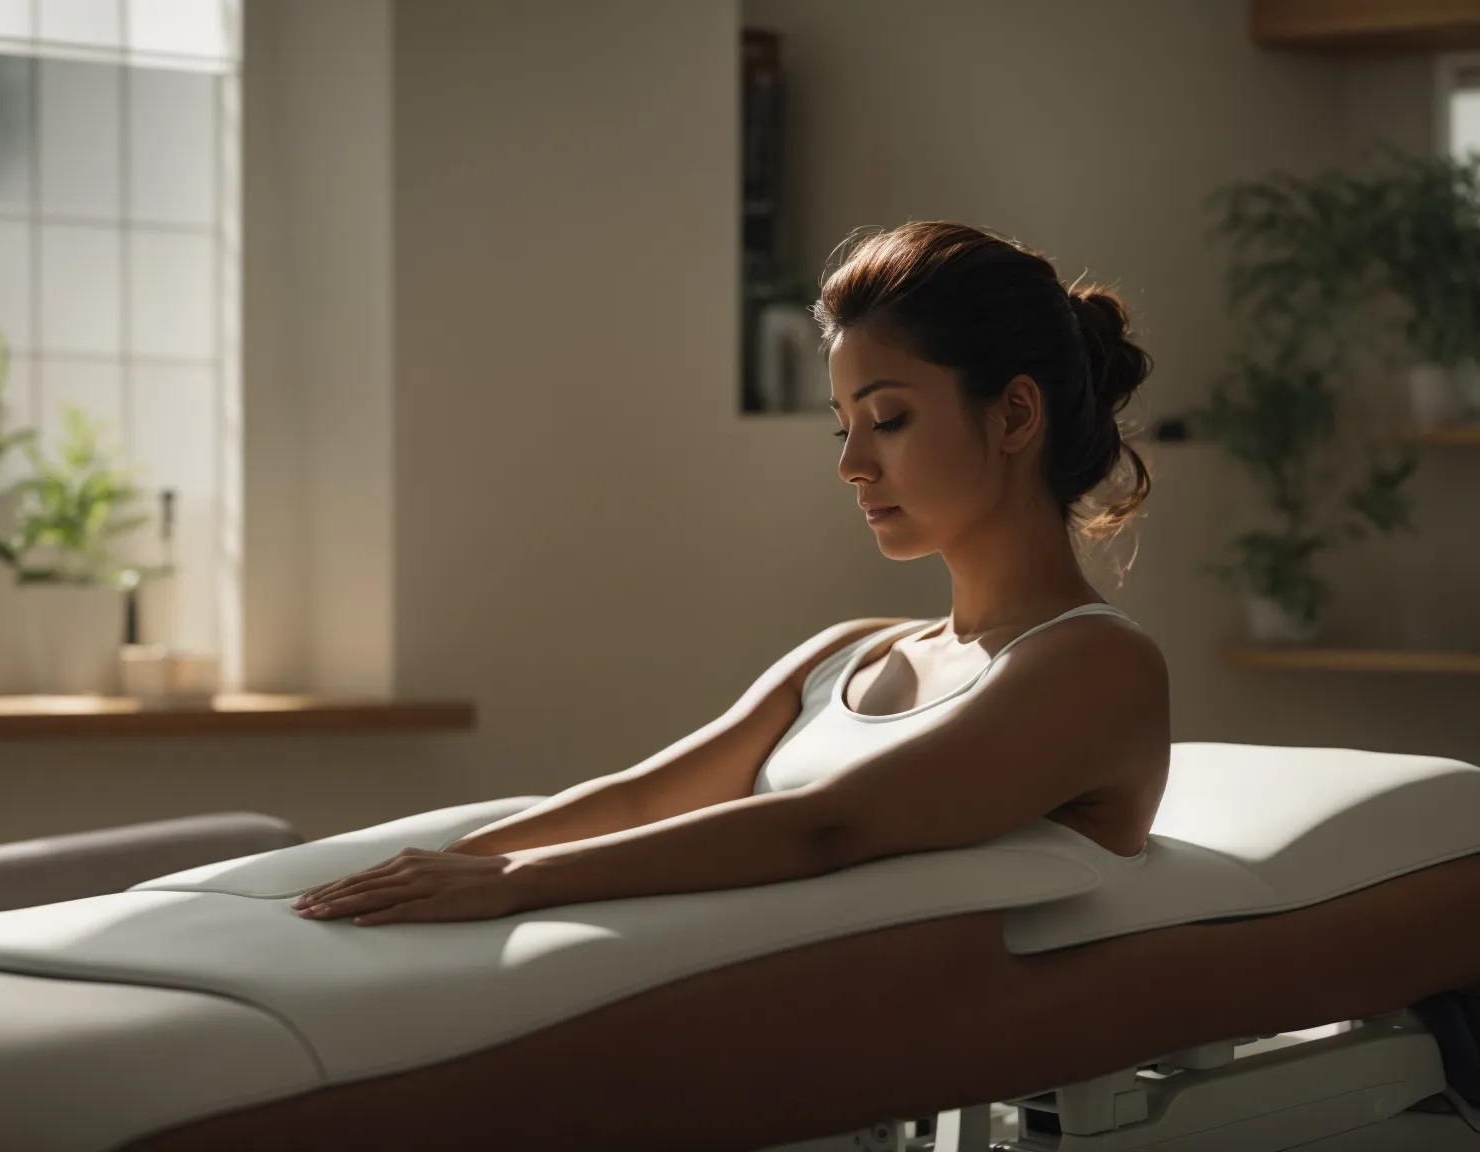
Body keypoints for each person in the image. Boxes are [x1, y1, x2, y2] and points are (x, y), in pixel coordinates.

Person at [293, 221, 1170, 926]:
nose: (852, 465)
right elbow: (643, 801)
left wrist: (515, 880)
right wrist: (446, 868)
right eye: (843, 428)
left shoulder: (1095, 666)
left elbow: (831, 825)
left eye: (889, 419)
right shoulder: (852, 653)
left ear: (1016, 413)